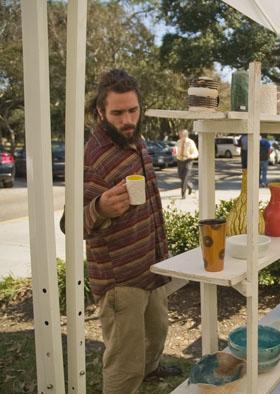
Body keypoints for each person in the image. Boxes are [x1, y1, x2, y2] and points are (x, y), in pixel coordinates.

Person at [84, 69, 181, 393]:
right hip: (119, 279)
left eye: (133, 110)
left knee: (157, 330)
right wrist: (99, 208)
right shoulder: (92, 158)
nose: (127, 119)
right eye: (118, 113)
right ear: (101, 111)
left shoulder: (135, 140)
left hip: (149, 263)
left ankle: (150, 370)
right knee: (124, 364)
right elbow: (71, 224)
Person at [176, 129, 198, 199]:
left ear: (185, 135)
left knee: (185, 178)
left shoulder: (190, 142)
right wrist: (174, 153)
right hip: (180, 160)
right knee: (180, 176)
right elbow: (175, 150)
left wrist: (190, 156)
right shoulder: (178, 142)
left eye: (180, 134)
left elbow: (196, 153)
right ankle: (190, 186)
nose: (179, 136)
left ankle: (183, 194)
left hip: (188, 161)